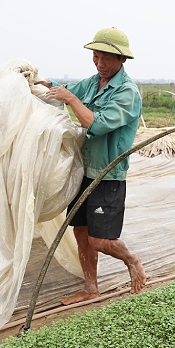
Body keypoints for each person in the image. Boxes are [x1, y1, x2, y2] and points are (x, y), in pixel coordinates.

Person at [39, 27, 147, 305]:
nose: (100, 64)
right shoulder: (92, 82)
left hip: (107, 175)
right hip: (83, 170)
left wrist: (72, 101)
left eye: (107, 59)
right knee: (81, 230)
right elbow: (62, 91)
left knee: (100, 239)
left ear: (122, 60)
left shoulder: (127, 93)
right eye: (96, 57)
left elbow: (96, 125)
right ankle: (90, 287)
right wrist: (36, 83)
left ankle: (132, 259)